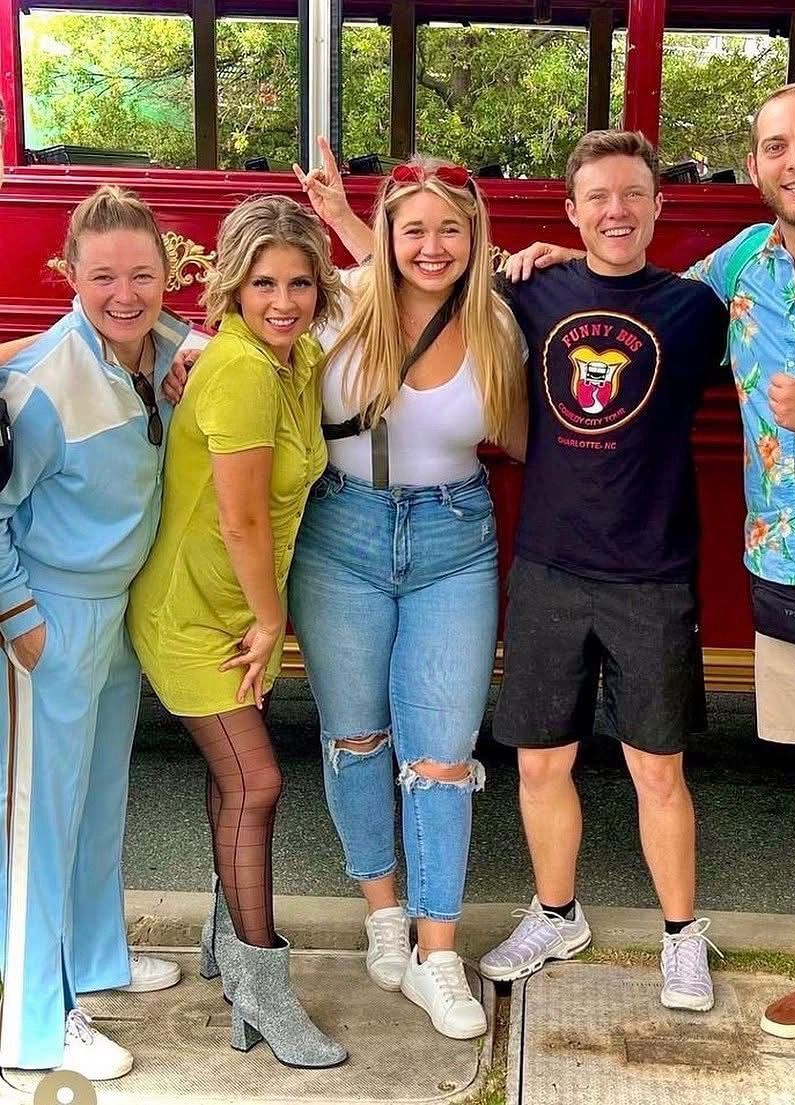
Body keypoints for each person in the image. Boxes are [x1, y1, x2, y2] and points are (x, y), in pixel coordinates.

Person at [508, 79, 795, 1105]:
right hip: (787, 565)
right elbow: (625, 289)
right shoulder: (735, 271)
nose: (790, 162)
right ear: (751, 167)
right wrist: (541, 261)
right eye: (770, 147)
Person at [452, 130, 729, 1012]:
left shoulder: (694, 308)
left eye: (633, 195)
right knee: (541, 763)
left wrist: (580, 249)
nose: (617, 210)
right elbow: (411, 277)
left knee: (658, 769)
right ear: (570, 210)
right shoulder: (535, 290)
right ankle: (556, 911)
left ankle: (683, 935)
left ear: (658, 205)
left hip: (651, 572)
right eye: (597, 198)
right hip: (549, 567)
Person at [288, 148, 525, 1040]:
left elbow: (535, 437)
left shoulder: (500, 323)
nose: (431, 246)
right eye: (412, 228)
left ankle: (437, 953)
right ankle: (382, 911)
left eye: (450, 230)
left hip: (453, 540)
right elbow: (246, 337)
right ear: (383, 235)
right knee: (354, 737)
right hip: (340, 533)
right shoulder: (339, 304)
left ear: (476, 237)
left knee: (441, 753)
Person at [127, 194, 347, 1068]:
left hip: (231, 608)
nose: (284, 301)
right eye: (263, 284)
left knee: (236, 782)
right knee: (257, 783)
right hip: (195, 613)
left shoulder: (291, 357)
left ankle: (227, 951)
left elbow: (385, 286)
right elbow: (244, 520)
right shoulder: (244, 369)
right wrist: (271, 621)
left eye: (299, 282)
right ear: (235, 287)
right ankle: (262, 987)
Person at [0, 185, 187, 1080]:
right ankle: (36, 1024)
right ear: (68, 274)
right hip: (53, 613)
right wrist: (17, 613)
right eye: (103, 275)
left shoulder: (173, 351)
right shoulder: (41, 382)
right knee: (38, 816)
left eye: (142, 273)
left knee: (100, 797)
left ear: (169, 273)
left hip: (118, 614)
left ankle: (98, 958)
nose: (125, 292)